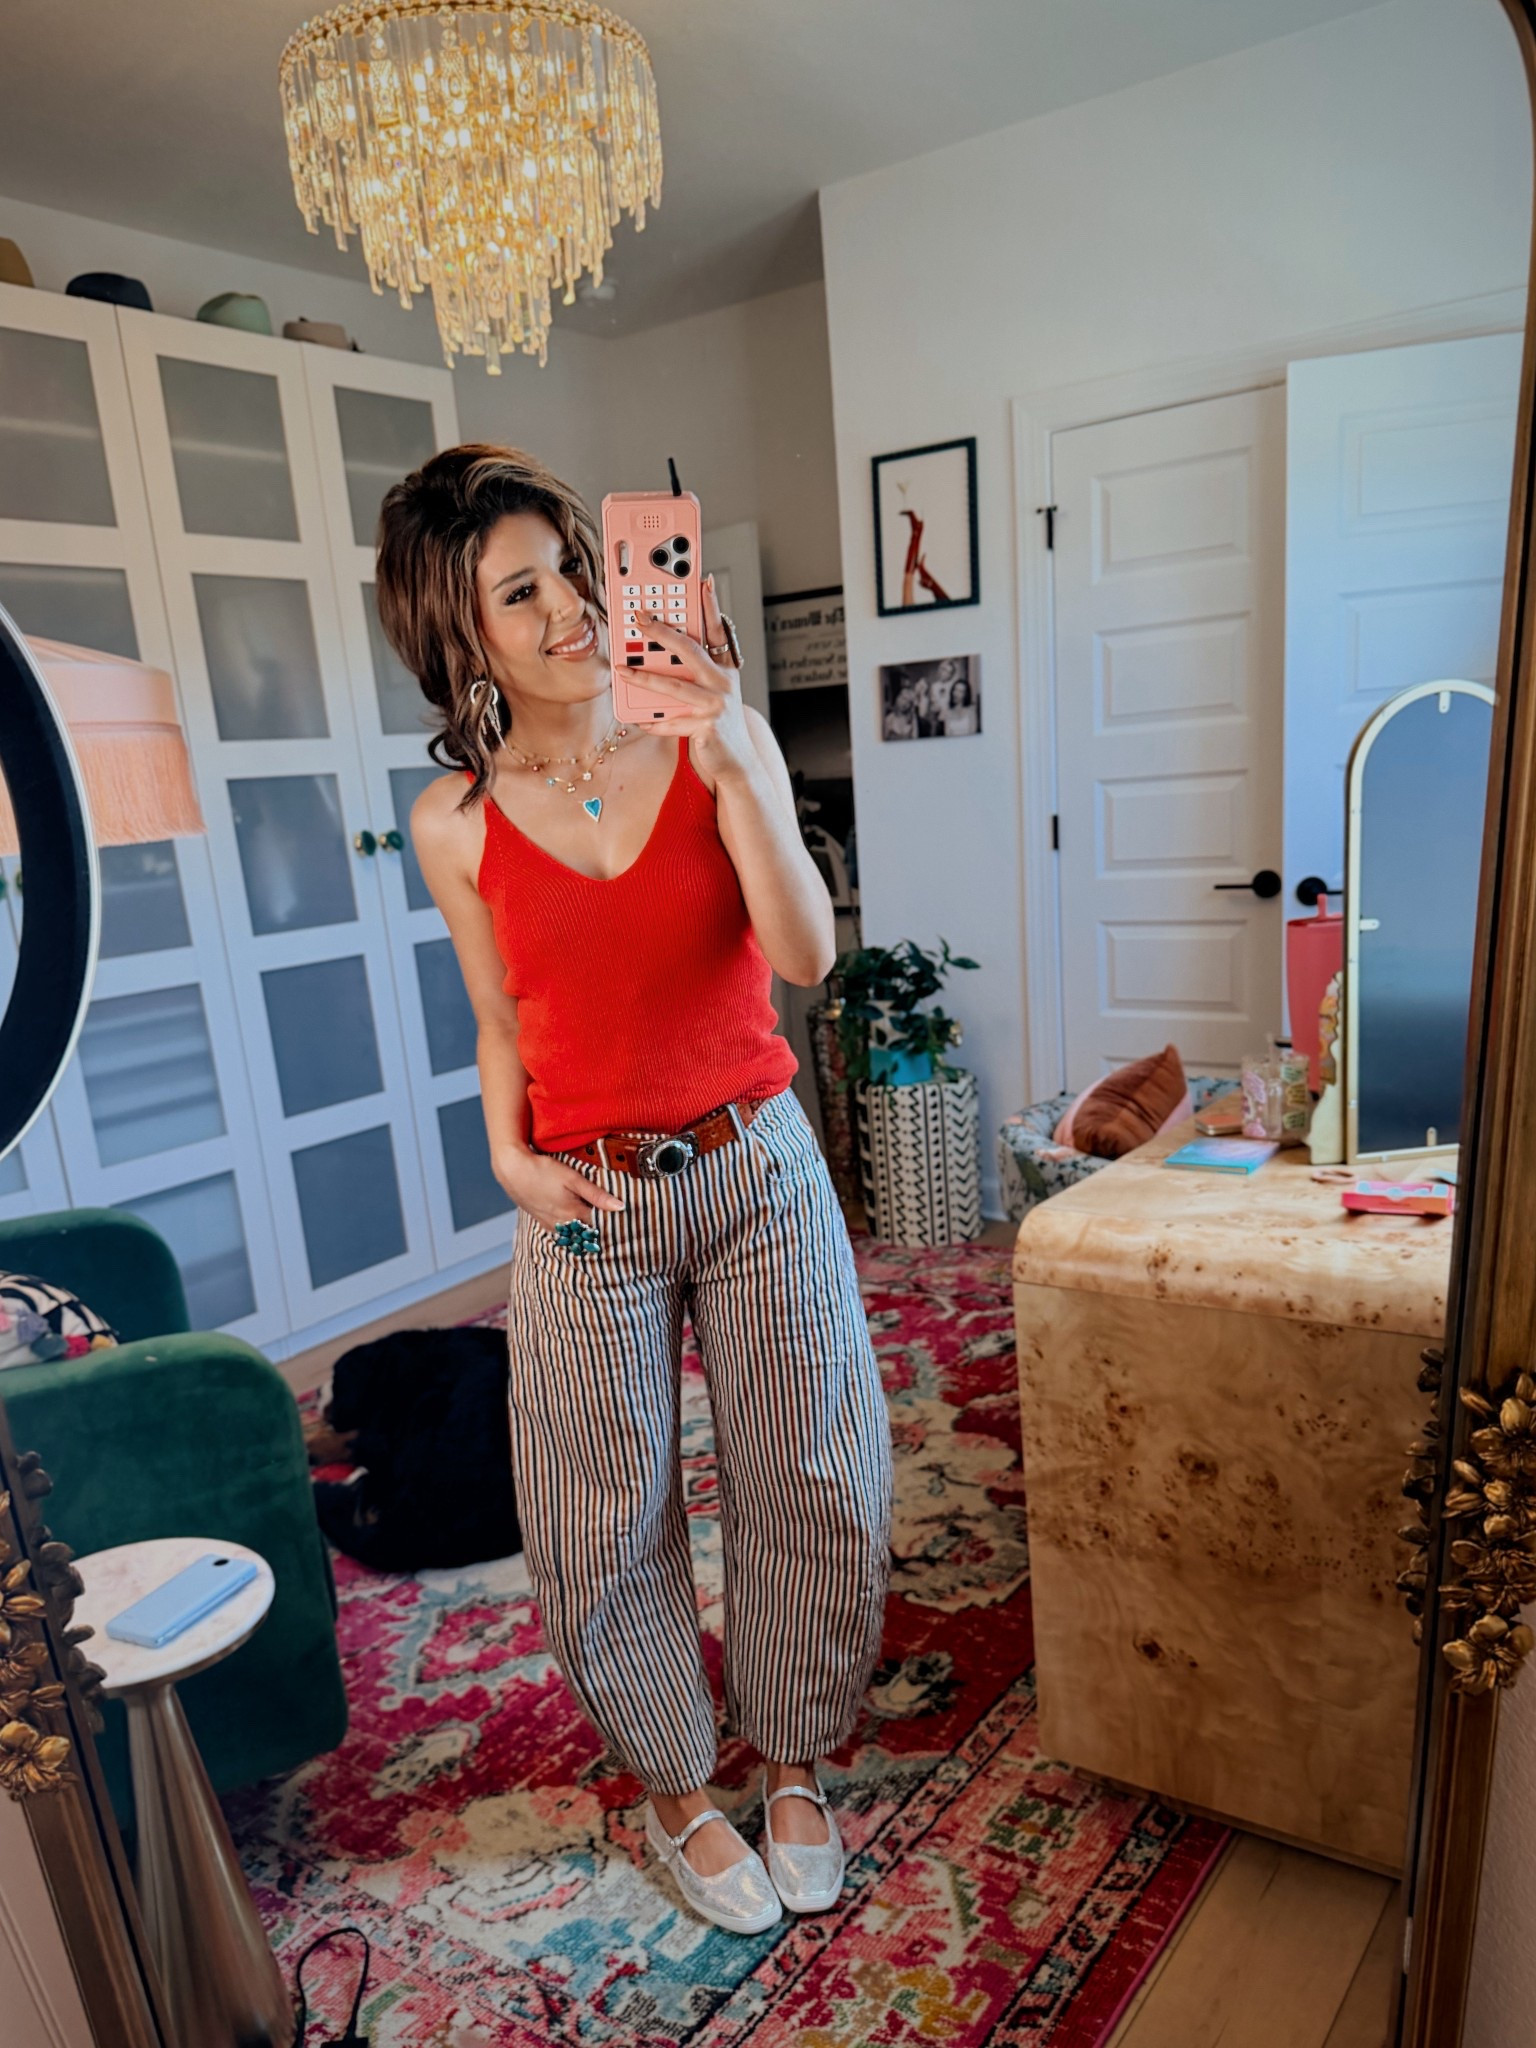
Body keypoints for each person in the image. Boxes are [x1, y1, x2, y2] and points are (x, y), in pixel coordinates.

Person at [374, 446, 893, 1936]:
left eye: (575, 570)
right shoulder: (453, 822)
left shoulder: (716, 741)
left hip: (757, 1165)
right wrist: (505, 1156)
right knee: (598, 1509)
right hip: (586, 1203)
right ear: (460, 637)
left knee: (810, 1468)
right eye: (518, 593)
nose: (571, 611)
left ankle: (790, 1755)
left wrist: (734, 759)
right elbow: (501, 1017)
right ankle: (675, 1781)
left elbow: (804, 957)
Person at [942, 666, 979, 737]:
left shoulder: (971, 710)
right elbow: (947, 734)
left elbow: (973, 732)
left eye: (960, 691)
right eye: (955, 689)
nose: (956, 693)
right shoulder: (948, 711)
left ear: (965, 695)